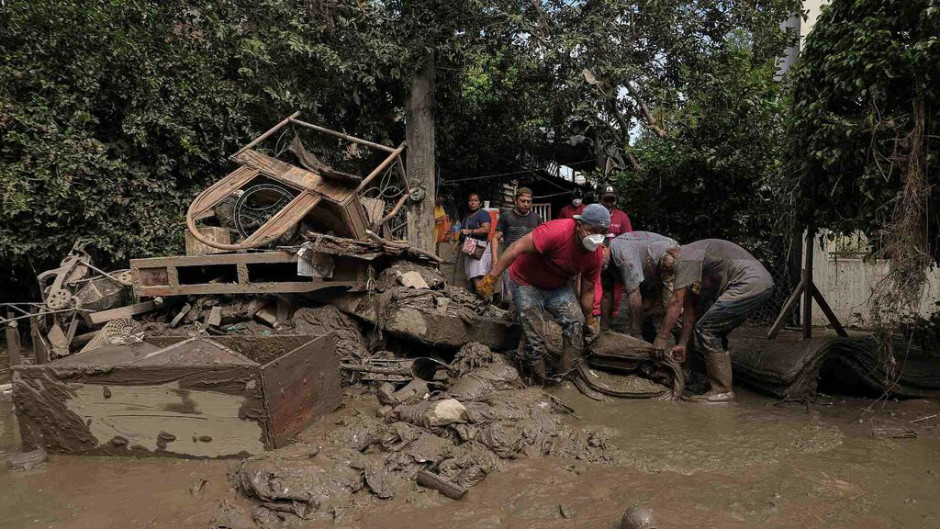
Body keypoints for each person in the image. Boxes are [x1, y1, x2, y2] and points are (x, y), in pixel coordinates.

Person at [475, 204, 609, 384]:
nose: (596, 237)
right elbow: (516, 247)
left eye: (602, 232)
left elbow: (588, 290)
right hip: (526, 281)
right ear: (579, 226)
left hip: (558, 287)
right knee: (534, 332)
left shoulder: (596, 256)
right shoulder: (556, 232)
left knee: (575, 322)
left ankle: (565, 375)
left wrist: (590, 319)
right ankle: (537, 377)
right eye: (593, 230)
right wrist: (492, 277)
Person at [651, 239, 774, 403]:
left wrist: (661, 338)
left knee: (707, 329)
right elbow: (690, 309)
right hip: (758, 283)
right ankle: (718, 381)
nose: (669, 272)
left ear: (671, 252)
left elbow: (675, 302)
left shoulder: (686, 257)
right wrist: (683, 343)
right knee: (713, 328)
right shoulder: (695, 265)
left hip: (748, 284)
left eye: (666, 266)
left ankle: (722, 391)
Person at [606, 232, 679, 337]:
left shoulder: (672, 253)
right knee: (644, 303)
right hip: (641, 259)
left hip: (658, 259)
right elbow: (633, 293)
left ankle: (663, 333)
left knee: (667, 304)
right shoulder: (626, 255)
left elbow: (670, 297)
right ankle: (640, 332)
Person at [493, 187, 542, 304]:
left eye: (528, 201)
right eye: (522, 201)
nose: (525, 204)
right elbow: (495, 238)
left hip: (529, 264)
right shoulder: (506, 217)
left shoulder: (536, 218)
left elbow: (541, 240)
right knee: (508, 298)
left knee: (527, 298)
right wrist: (495, 259)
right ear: (516, 200)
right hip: (510, 263)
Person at [596, 184, 634, 328]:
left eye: (612, 200)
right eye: (606, 200)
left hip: (616, 260)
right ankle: (599, 320)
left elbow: (629, 238)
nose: (610, 203)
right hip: (597, 259)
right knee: (601, 290)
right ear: (600, 199)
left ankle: (612, 318)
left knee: (616, 293)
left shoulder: (622, 216)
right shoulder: (595, 214)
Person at [460, 193, 493, 292]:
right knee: (472, 273)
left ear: (480, 203)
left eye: (475, 201)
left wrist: (470, 231)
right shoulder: (467, 216)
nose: (472, 203)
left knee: (476, 274)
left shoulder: (483, 214)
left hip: (480, 247)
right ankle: (482, 297)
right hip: (469, 247)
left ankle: (485, 297)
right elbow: (462, 230)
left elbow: (486, 229)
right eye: (470, 201)